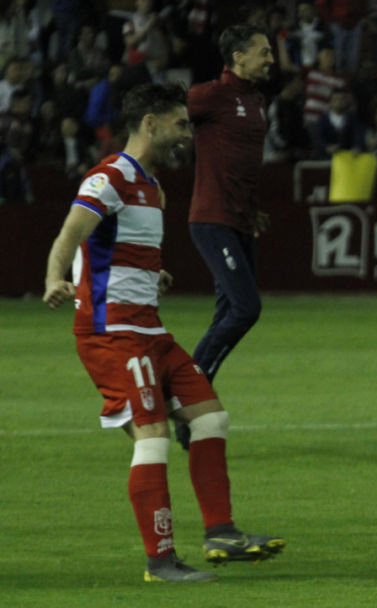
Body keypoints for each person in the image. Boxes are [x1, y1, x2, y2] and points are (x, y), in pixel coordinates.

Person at [42, 83, 284, 583]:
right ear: (149, 122)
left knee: (211, 419)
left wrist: (155, 274)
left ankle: (221, 533)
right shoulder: (109, 176)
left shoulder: (152, 186)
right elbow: (71, 233)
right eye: (178, 123)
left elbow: (121, 249)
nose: (185, 133)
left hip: (151, 330)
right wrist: (53, 278)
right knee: (152, 439)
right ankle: (161, 560)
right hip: (113, 333)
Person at [181, 25, 274, 450]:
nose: (271, 59)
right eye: (263, 52)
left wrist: (253, 208)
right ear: (237, 57)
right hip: (212, 218)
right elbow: (165, 121)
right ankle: (188, 391)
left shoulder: (256, 101)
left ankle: (191, 406)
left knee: (228, 312)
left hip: (239, 220)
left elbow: (245, 163)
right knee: (244, 308)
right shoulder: (209, 96)